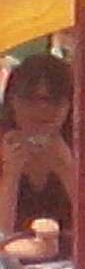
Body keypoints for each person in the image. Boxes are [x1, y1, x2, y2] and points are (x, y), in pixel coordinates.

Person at [0, 52, 76, 255]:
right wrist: (11, 175)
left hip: (76, 265)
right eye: (30, 99)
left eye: (54, 100)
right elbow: (1, 233)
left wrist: (68, 171)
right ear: (12, 102)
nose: (42, 109)